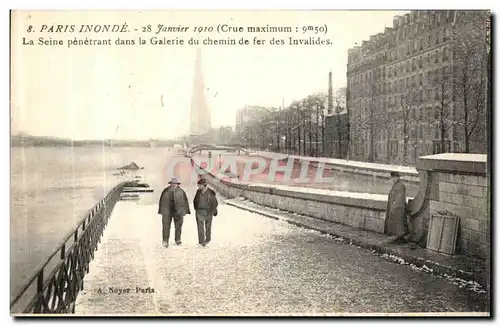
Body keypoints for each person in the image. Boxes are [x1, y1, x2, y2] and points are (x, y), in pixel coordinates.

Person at [158, 177, 190, 248]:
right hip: (167, 212)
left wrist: (185, 211)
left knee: (178, 226)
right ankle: (165, 241)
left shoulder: (181, 191)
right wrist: (161, 211)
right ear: (170, 184)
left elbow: (185, 202)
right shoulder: (165, 191)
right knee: (166, 227)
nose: (174, 185)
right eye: (173, 184)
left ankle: (178, 239)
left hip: (178, 212)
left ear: (178, 184)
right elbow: (161, 201)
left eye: (176, 184)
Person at [193, 178, 218, 247]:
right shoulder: (198, 192)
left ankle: (208, 240)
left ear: (204, 185)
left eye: (199, 185)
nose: (198, 186)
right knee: (200, 227)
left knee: (208, 227)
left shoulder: (211, 193)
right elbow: (195, 200)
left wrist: (213, 211)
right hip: (199, 212)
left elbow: (215, 203)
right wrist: (196, 208)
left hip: (208, 212)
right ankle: (201, 242)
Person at [385, 171, 408, 243]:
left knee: (399, 223)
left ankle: (401, 237)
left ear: (397, 177)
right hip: (395, 207)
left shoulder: (400, 185)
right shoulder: (396, 184)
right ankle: (399, 237)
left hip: (398, 208)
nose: (393, 179)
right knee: (397, 223)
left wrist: (394, 207)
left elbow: (399, 198)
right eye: (392, 177)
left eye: (394, 177)